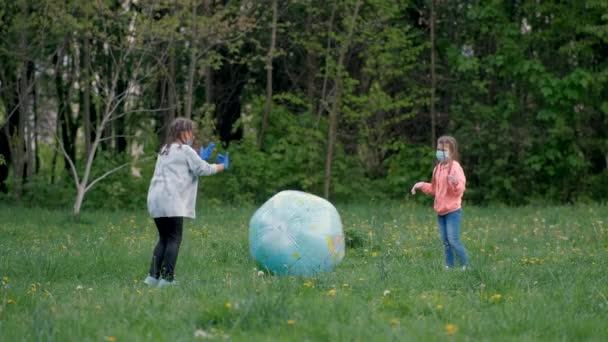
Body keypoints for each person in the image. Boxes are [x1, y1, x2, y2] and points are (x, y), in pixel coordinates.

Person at [144, 118, 229, 287]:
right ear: (183, 133)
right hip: (171, 201)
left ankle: (152, 278)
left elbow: (183, 171)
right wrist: (222, 166)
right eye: (190, 131)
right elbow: (203, 169)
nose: (192, 135)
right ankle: (167, 279)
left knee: (164, 239)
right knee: (174, 239)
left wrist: (197, 157)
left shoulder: (164, 150)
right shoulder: (185, 150)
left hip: (155, 200)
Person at [410, 135, 469, 270]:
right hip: (441, 211)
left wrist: (455, 184)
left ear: (452, 152)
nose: (440, 153)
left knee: (453, 240)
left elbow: (460, 189)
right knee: (446, 242)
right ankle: (450, 266)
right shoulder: (437, 168)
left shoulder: (455, 167)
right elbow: (434, 189)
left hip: (453, 211)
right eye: (438, 149)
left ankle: (466, 265)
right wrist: (421, 185)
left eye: (444, 150)